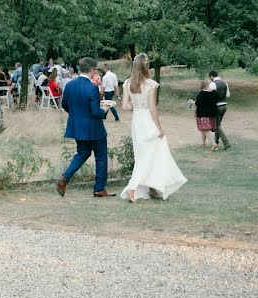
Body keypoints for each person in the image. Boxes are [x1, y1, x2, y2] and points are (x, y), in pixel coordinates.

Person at [120, 54, 187, 202]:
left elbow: (124, 107)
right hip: (148, 121)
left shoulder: (127, 83)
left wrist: (134, 105)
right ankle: (133, 187)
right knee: (152, 154)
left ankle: (153, 187)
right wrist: (159, 128)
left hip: (137, 122)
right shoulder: (151, 84)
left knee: (144, 155)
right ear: (146, 66)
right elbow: (152, 108)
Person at [56, 57, 115, 198]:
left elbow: (64, 104)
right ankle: (99, 189)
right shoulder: (92, 88)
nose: (96, 72)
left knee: (82, 153)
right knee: (101, 157)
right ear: (91, 70)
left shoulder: (69, 85)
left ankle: (65, 177)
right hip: (95, 129)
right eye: (95, 69)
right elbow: (95, 112)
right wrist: (105, 109)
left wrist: (77, 114)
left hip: (78, 128)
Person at [192, 82, 219, 149]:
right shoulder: (212, 94)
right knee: (204, 130)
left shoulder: (201, 94)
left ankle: (214, 144)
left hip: (202, 115)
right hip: (211, 115)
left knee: (205, 129)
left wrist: (192, 102)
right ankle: (203, 144)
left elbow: (197, 103)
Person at [209, 70, 231, 151]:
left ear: (211, 76)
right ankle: (216, 141)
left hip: (217, 106)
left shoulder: (212, 84)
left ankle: (226, 142)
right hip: (224, 105)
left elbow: (210, 96)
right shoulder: (225, 83)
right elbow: (228, 95)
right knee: (218, 124)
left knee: (216, 125)